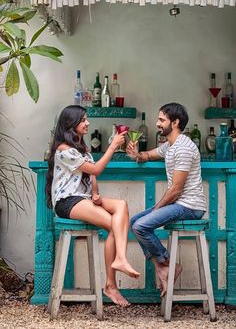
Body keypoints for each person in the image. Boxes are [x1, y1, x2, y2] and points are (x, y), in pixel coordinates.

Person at [46, 105, 140, 307]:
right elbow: (96, 168)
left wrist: (95, 194)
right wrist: (113, 146)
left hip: (84, 198)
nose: (87, 123)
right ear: (71, 124)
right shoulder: (64, 151)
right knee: (114, 224)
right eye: (83, 120)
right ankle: (111, 283)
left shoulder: (83, 150)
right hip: (67, 202)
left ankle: (119, 261)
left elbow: (92, 176)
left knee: (121, 206)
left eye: (87, 119)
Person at [127, 102, 207, 297]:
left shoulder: (184, 148)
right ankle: (164, 267)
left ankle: (168, 264)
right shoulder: (170, 146)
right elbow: (147, 155)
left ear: (176, 122)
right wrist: (136, 154)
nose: (157, 124)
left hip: (190, 206)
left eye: (162, 120)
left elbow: (176, 190)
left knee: (141, 226)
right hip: (178, 204)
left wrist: (156, 209)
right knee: (133, 222)